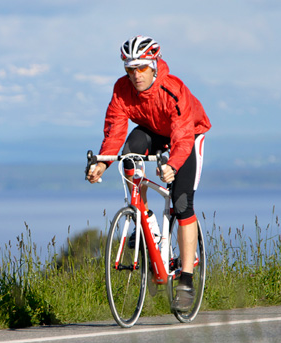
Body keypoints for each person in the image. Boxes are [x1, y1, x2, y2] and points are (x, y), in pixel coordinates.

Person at [86, 35, 211, 312]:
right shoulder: (122, 90)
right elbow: (115, 129)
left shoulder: (172, 88)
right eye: (129, 69)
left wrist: (173, 165)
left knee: (181, 202)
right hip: (153, 131)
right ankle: (145, 222)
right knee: (129, 154)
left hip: (189, 135)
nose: (135, 75)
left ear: (154, 65)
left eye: (141, 68)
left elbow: (181, 134)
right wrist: (103, 162)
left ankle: (187, 281)